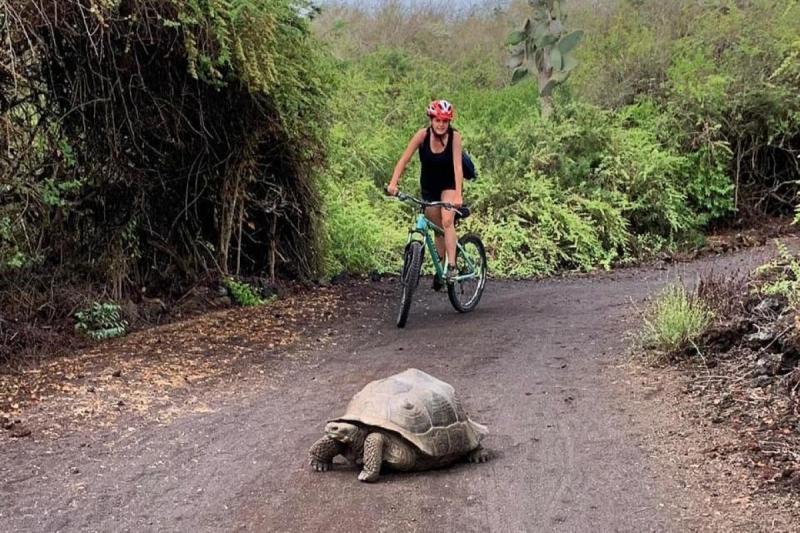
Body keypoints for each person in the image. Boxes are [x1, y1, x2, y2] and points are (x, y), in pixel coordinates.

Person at [386, 99, 464, 289]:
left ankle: (452, 266)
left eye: (445, 121)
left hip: (449, 185)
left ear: (449, 122)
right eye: (437, 120)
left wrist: (458, 196)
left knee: (446, 221)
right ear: (431, 119)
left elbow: (457, 167)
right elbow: (404, 160)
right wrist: (393, 184)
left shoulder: (455, 137)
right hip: (429, 187)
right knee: (436, 228)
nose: (441, 124)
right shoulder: (422, 135)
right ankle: (441, 267)